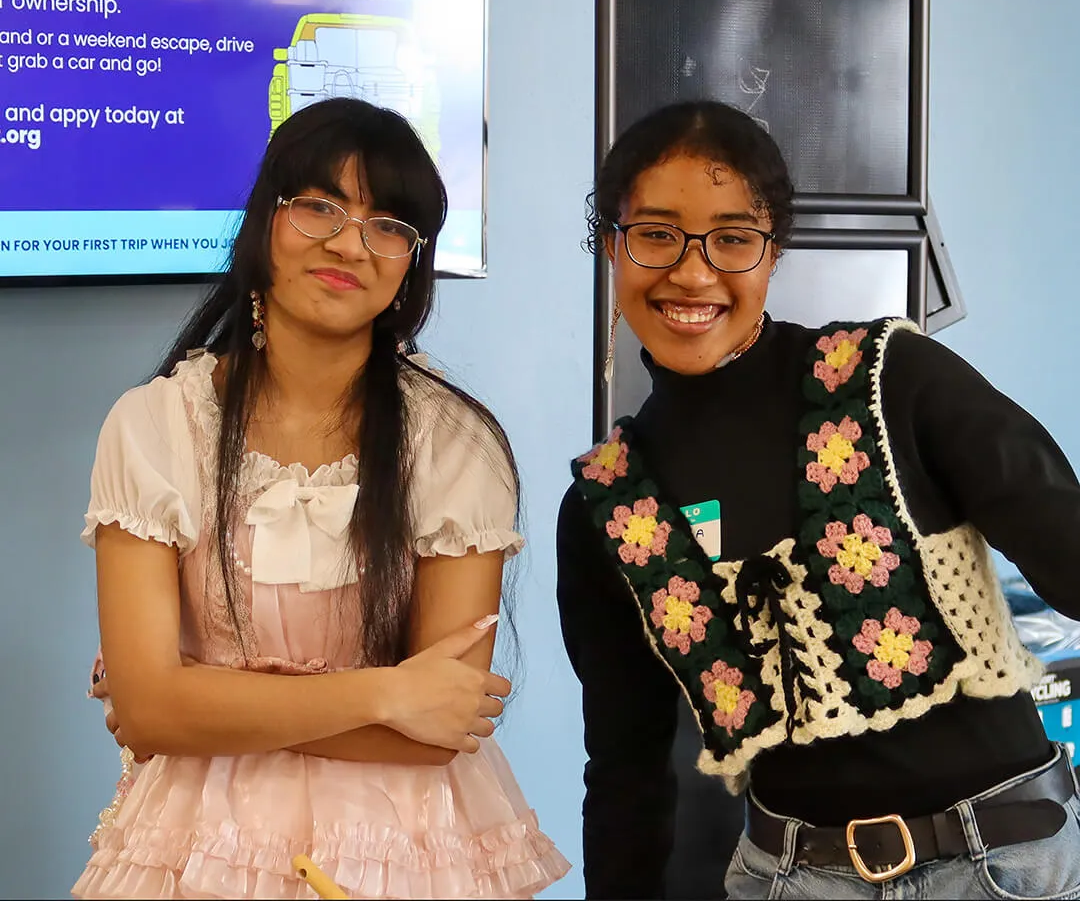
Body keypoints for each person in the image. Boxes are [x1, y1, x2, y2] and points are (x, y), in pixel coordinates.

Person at [556, 100, 1080, 899]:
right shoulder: (611, 503)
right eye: (657, 234)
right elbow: (625, 772)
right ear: (611, 245)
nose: (693, 273)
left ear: (773, 254)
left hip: (1008, 865)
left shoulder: (890, 379)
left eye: (733, 239)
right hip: (790, 881)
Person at [75, 97, 569, 900]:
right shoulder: (156, 424)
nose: (349, 243)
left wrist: (214, 695)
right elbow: (149, 710)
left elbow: (437, 731)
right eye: (320, 208)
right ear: (266, 220)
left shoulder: (454, 442)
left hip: (407, 845)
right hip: (193, 847)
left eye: (388, 226)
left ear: (412, 261)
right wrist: (386, 691)